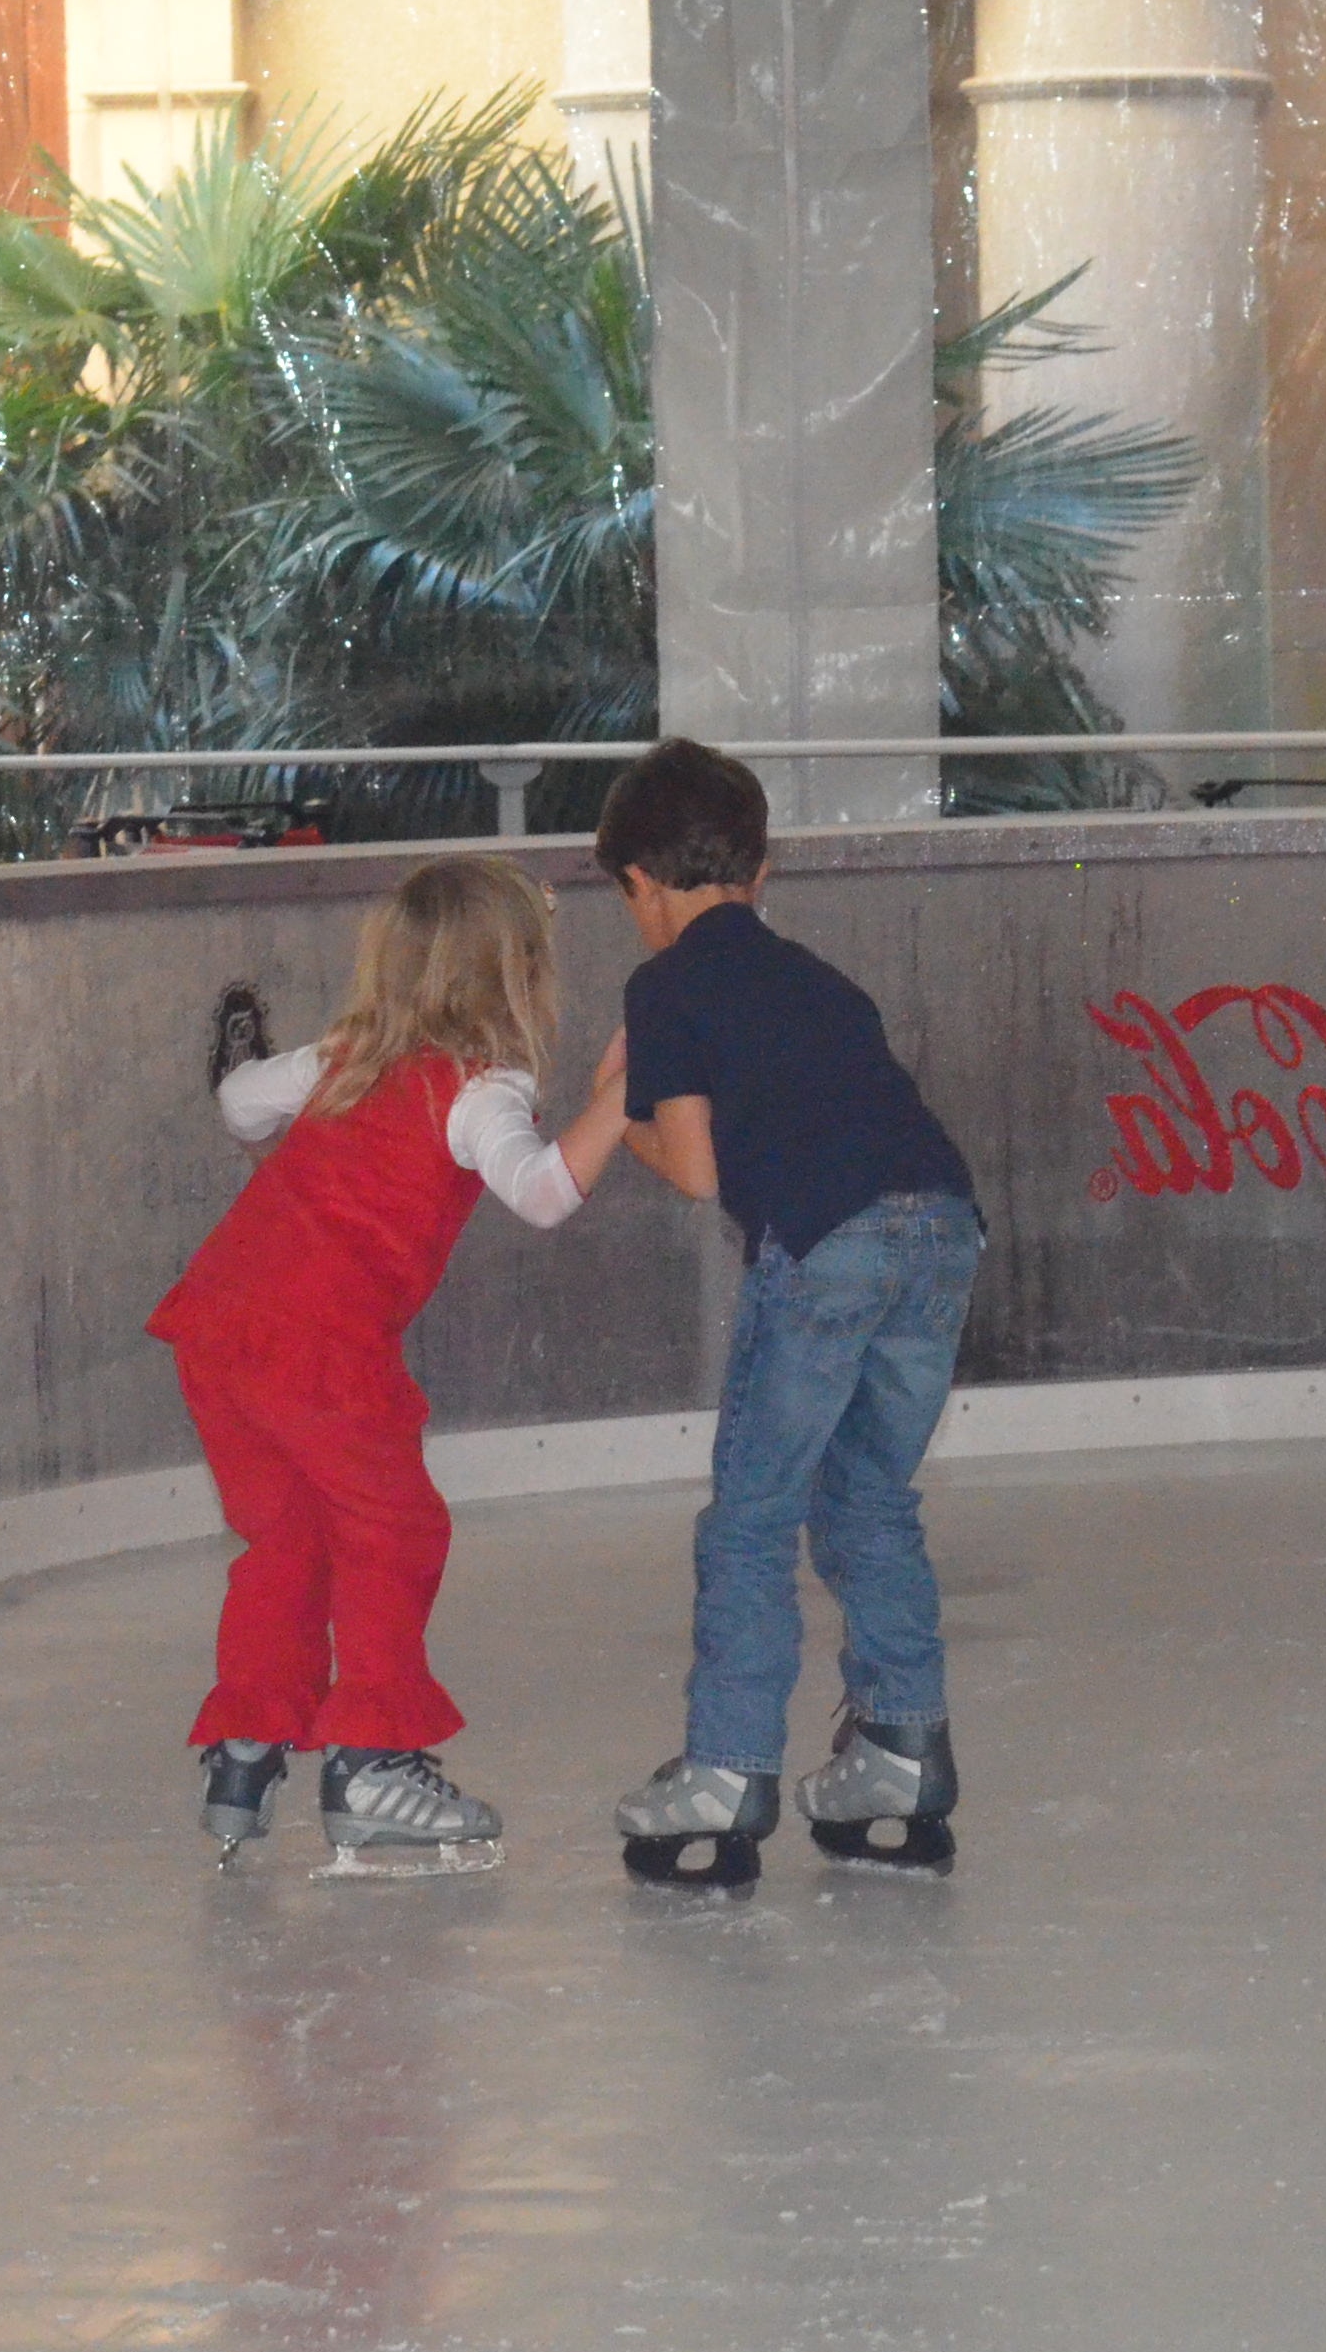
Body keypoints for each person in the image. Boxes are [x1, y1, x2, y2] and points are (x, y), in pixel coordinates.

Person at [150, 856, 631, 1876]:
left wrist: (284, 1116)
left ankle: (246, 1744)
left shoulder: (346, 1051)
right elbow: (541, 1192)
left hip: (220, 1328)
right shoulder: (480, 1088)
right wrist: (626, 1098)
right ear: (518, 976)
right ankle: (369, 1760)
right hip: (319, 1346)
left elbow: (238, 1097)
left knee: (288, 1538)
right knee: (392, 1529)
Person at [599, 740, 983, 1887]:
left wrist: (613, 1116)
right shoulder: (821, 978)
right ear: (760, 873)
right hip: (943, 1224)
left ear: (639, 888)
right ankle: (899, 1750)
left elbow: (693, 1169)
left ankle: (725, 1766)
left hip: (826, 1240)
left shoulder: (662, 983)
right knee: (867, 1500)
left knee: (753, 1518)